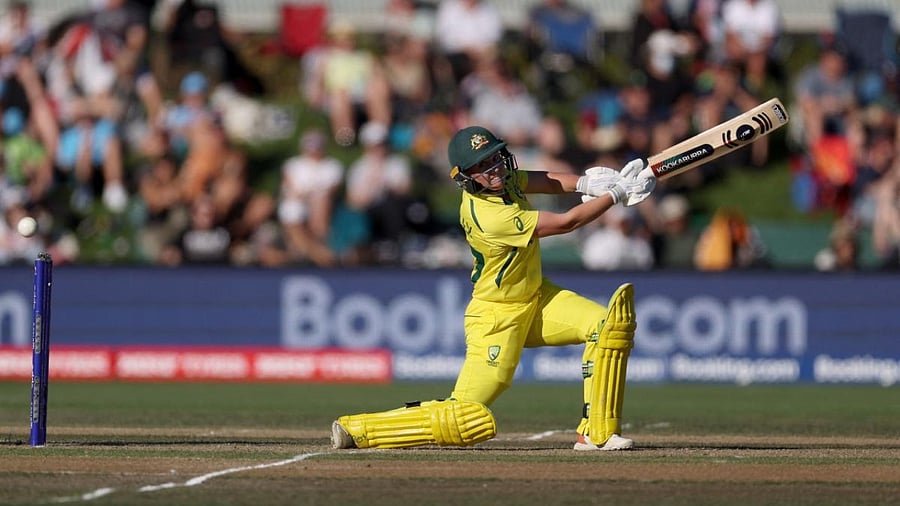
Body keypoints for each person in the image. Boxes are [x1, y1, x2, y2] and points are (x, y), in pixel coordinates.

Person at [331, 125, 656, 451]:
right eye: (483, 166)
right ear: (465, 176)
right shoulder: (487, 215)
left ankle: (597, 433)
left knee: (608, 326)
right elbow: (565, 223)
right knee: (465, 416)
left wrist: (585, 182)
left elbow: (543, 179)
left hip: (538, 298)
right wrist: (615, 195)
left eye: (496, 158)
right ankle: (359, 429)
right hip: (497, 318)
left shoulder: (502, 179)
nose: (495, 168)